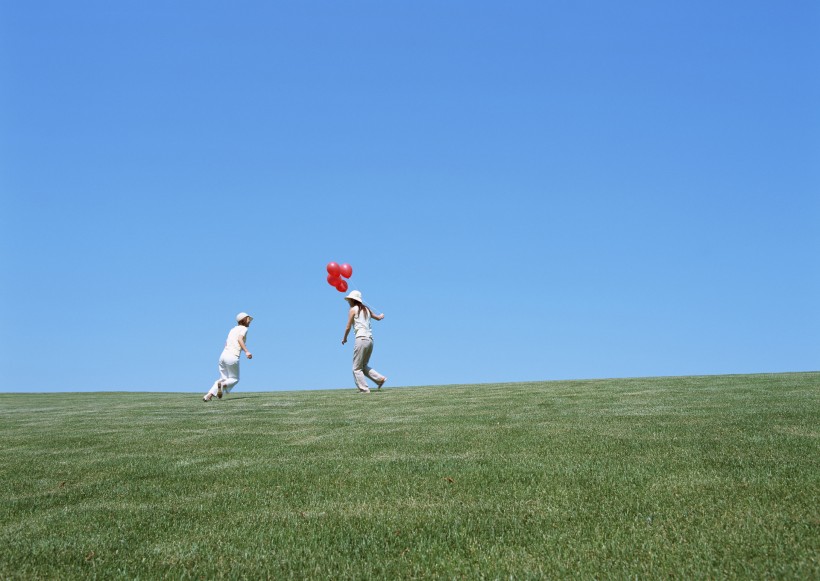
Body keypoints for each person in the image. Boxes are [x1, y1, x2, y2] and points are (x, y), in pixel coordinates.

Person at [342, 290, 386, 394]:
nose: (348, 302)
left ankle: (364, 389)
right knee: (363, 365)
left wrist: (344, 338)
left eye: (349, 300)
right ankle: (380, 379)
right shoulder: (367, 309)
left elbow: (348, 326)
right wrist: (382, 316)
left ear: (353, 300)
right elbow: (378, 318)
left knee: (356, 368)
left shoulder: (353, 310)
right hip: (370, 341)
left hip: (361, 339)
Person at [203, 312, 254, 402]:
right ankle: (222, 386)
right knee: (234, 379)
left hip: (223, 355)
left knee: (222, 379)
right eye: (248, 319)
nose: (249, 322)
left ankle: (208, 395)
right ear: (244, 320)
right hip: (232, 356)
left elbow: (226, 343)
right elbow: (239, 339)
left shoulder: (232, 329)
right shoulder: (244, 329)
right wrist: (247, 351)